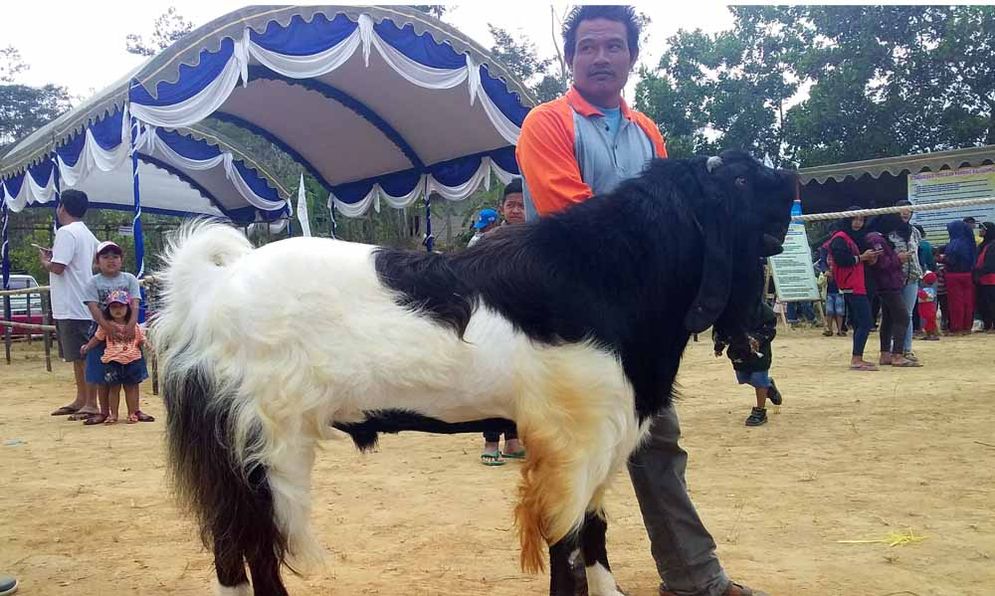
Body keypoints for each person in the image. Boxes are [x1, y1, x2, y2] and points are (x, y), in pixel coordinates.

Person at [516, 6, 764, 595]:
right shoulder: (546, 125)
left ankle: (695, 577)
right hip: (569, 324)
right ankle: (579, 582)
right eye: (588, 46)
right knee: (575, 454)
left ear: (632, 56)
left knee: (658, 444)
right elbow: (569, 218)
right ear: (571, 57)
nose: (600, 56)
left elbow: (677, 220)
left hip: (639, 327)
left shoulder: (648, 131)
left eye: (613, 46)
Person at [39, 190, 99, 418]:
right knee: (77, 356)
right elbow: (96, 257)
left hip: (72, 304)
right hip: (80, 303)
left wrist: (46, 261)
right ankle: (82, 399)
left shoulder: (66, 232)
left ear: (62, 207)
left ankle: (91, 403)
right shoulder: (85, 232)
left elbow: (58, 267)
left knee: (82, 357)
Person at [479, 180, 527, 466]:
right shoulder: (491, 240)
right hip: (494, 321)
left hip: (525, 325)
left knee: (516, 385)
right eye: (512, 205)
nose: (517, 210)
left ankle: (512, 440)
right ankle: (490, 441)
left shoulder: (538, 237)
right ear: (502, 208)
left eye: (522, 205)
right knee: (492, 383)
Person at [79, 241, 144, 425]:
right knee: (103, 376)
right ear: (97, 261)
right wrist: (108, 328)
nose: (111, 260)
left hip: (128, 331)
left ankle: (135, 410)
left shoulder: (130, 279)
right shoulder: (93, 282)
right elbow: (93, 308)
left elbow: (135, 303)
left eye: (115, 256)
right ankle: (104, 412)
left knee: (133, 374)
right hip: (101, 331)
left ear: (121, 260)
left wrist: (131, 324)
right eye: (105, 257)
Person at [80, 290, 151, 424]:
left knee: (131, 388)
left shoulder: (133, 326)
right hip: (113, 362)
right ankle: (113, 414)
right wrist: (88, 347)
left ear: (127, 308)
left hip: (132, 360)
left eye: (121, 306)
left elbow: (141, 338)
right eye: (114, 307)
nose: (118, 310)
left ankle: (132, 412)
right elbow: (97, 338)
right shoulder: (106, 327)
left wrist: (149, 346)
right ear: (108, 309)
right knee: (113, 389)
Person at [714, 299, 783, 427]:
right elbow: (721, 328)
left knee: (758, 378)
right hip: (738, 350)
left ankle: (760, 411)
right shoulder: (729, 310)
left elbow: (770, 328)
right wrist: (719, 344)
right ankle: (768, 386)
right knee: (743, 377)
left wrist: (757, 339)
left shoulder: (762, 309)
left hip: (759, 351)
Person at [827, 211, 881, 371]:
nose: (858, 223)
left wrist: (869, 258)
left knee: (860, 322)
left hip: (857, 283)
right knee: (865, 322)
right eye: (855, 219)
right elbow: (842, 260)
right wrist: (862, 258)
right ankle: (856, 359)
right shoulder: (840, 238)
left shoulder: (853, 238)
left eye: (861, 220)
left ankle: (858, 357)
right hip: (851, 284)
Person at [863, 232, 919, 367]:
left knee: (888, 319)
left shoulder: (881, 237)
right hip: (888, 283)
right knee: (903, 317)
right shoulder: (875, 238)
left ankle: (885, 354)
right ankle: (897, 355)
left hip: (888, 283)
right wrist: (898, 259)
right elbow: (881, 262)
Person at [878, 204, 922, 361]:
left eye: (909, 210)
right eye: (901, 209)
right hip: (893, 278)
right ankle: (889, 350)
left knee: (907, 313)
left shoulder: (915, 232)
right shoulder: (888, 233)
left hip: (913, 276)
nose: (905, 212)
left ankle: (906, 349)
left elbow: (917, 254)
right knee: (891, 314)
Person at [940, 220, 977, 335]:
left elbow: (951, 260)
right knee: (968, 301)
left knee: (956, 302)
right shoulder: (970, 243)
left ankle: (957, 327)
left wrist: (941, 258)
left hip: (954, 275)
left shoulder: (954, 244)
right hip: (968, 274)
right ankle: (967, 326)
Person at [974, 222, 995, 332]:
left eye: (982, 229)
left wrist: (979, 271)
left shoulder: (993, 245)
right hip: (982, 279)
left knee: (992, 302)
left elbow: (990, 264)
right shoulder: (983, 245)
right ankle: (987, 324)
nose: (980, 230)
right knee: (983, 303)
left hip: (991, 279)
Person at [818, 268, 845, 336]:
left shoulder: (840, 271)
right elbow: (819, 283)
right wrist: (825, 276)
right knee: (829, 311)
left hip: (839, 293)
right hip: (828, 294)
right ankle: (830, 330)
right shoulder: (824, 272)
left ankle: (839, 330)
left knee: (839, 312)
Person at [916, 271, 940, 340]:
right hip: (927, 308)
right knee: (929, 322)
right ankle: (930, 334)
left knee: (928, 322)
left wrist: (918, 291)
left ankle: (932, 334)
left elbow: (923, 296)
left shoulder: (928, 290)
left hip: (927, 309)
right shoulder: (932, 289)